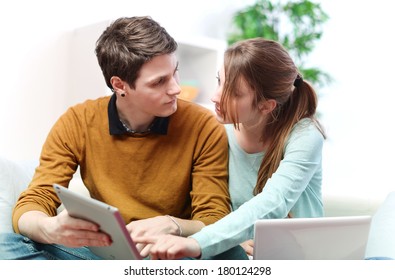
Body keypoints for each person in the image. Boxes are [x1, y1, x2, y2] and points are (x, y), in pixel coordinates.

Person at [0, 16, 245, 260]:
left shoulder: (203, 126)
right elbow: (34, 201)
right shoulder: (78, 121)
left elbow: (214, 220)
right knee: (6, 244)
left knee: (230, 255)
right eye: (159, 82)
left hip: (169, 254)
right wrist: (49, 228)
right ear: (120, 85)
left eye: (175, 72)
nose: (175, 88)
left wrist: (172, 225)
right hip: (102, 254)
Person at [135, 37, 326, 259]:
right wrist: (234, 237)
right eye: (219, 81)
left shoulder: (305, 135)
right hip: (243, 259)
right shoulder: (217, 131)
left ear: (266, 105)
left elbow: (274, 201)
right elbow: (213, 210)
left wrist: (198, 243)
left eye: (234, 92)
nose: (216, 97)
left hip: (301, 259)